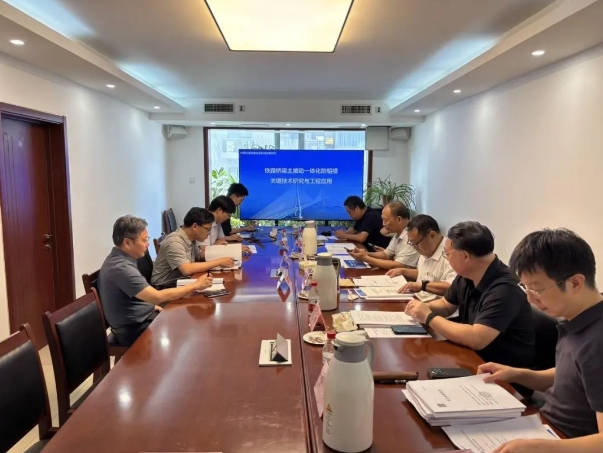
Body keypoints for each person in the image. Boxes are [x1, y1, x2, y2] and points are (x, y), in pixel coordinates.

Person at [477, 229, 603, 452]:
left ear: (575, 283)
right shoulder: (578, 318)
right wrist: (517, 374)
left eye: (537, 289)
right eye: (525, 288)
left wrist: (542, 448)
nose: (530, 298)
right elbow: (575, 378)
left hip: (563, 441)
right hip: (544, 427)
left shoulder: (598, 340)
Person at [405, 221, 534, 369]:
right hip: (472, 357)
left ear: (465, 256)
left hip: (502, 371)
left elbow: (477, 338)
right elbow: (446, 305)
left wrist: (429, 317)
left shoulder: (505, 288)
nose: (446, 258)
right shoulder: (467, 274)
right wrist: (421, 308)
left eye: (447, 254)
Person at [99, 215, 213, 346]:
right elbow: (157, 297)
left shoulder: (119, 258)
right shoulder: (121, 268)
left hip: (140, 318)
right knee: (190, 328)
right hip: (133, 329)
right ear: (127, 243)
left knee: (190, 318)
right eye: (144, 240)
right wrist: (196, 285)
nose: (147, 244)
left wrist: (152, 307)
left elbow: (135, 297)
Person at [151, 207, 235, 287]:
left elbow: (199, 256)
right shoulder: (175, 242)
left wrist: (221, 253)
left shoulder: (191, 239)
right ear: (195, 226)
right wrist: (219, 262)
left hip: (182, 280)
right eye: (208, 229)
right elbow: (187, 269)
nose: (209, 233)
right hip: (165, 286)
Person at [387, 214, 456, 296]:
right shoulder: (425, 249)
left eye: (415, 243)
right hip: (419, 297)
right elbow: (424, 274)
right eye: (411, 243)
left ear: (432, 235)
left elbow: (453, 286)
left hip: (436, 302)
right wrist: (403, 271)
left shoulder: (450, 254)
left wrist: (422, 286)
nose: (414, 247)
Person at [348, 202, 419, 270]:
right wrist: (365, 254)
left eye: (385, 220)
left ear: (399, 219)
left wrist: (366, 258)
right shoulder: (398, 232)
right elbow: (386, 254)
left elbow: (398, 265)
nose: (383, 224)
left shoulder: (412, 235)